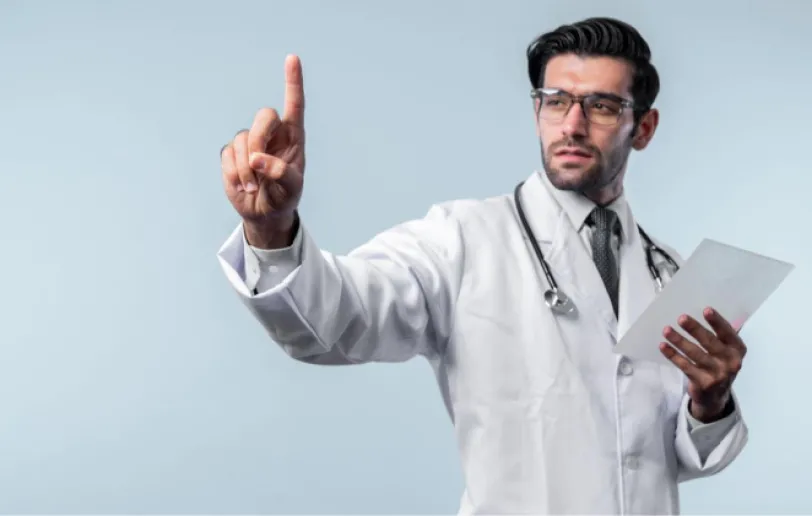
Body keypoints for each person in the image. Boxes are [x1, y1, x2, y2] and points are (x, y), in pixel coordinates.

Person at [217, 16, 749, 515]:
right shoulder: (460, 241)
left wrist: (711, 402)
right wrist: (271, 229)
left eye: (603, 106)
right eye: (556, 101)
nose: (572, 125)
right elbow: (335, 320)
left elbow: (660, 457)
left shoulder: (669, 272)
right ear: (536, 111)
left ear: (644, 127)